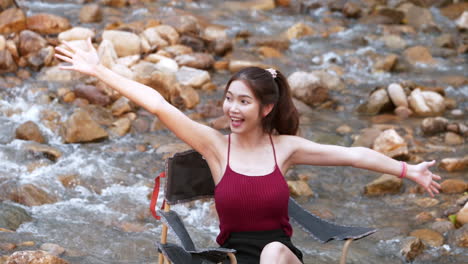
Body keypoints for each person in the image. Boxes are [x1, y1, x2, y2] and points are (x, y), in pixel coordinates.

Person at [55, 38, 442, 264]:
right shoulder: (214, 147)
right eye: (228, 99)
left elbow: (355, 155)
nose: (232, 109)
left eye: (243, 102)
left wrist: (409, 171)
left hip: (280, 257)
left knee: (273, 252)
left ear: (266, 108)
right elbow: (158, 105)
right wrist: (99, 71)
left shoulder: (285, 150)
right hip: (231, 258)